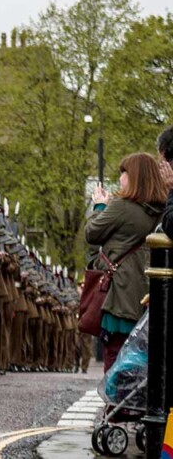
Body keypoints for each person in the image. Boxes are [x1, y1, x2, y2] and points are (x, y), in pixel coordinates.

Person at [85, 152, 165, 372]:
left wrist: (100, 206)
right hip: (147, 294)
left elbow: (92, 233)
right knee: (141, 358)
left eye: (124, 173)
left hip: (120, 296)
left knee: (115, 354)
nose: (121, 178)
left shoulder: (122, 207)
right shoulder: (161, 210)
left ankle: (117, 405)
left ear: (135, 176)